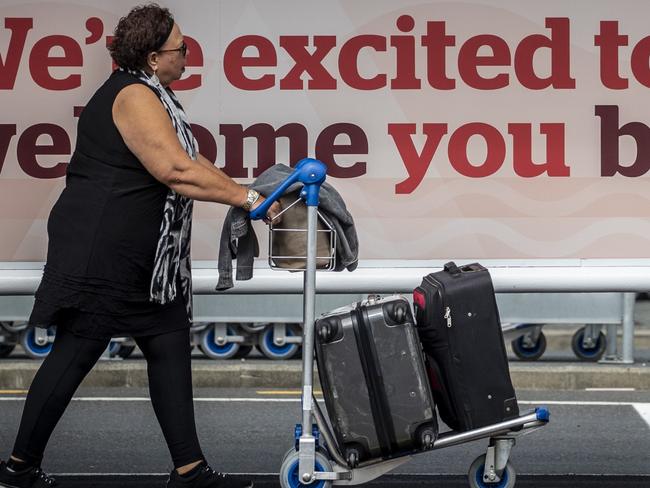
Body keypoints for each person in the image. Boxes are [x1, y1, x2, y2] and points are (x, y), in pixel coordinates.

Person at [0, 4, 280, 488]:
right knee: (75, 354)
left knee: (169, 345)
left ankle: (190, 470)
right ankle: (19, 469)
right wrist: (251, 199)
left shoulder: (156, 95)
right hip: (103, 252)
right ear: (153, 57)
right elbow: (173, 171)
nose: (188, 55)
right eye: (181, 49)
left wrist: (254, 192)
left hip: (149, 262)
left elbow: (195, 161)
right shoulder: (132, 96)